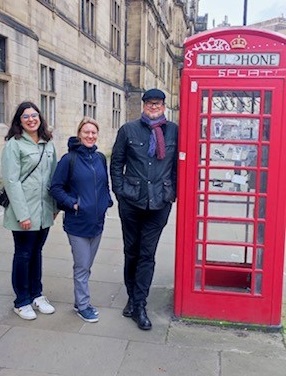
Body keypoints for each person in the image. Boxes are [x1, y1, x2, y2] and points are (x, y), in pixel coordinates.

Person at [110, 88, 178, 330]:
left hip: (159, 203)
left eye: (157, 104)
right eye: (149, 103)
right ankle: (131, 296)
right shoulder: (128, 130)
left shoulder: (173, 131)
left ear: (164, 106)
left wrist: (173, 193)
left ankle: (139, 304)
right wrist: (119, 192)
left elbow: (179, 163)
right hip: (131, 201)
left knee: (147, 254)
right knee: (131, 251)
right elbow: (116, 162)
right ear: (143, 106)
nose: (153, 107)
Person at [50, 117, 113, 323]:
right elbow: (55, 188)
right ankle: (83, 305)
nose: (90, 135)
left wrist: (106, 202)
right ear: (79, 134)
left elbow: (104, 184)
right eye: (86, 132)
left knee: (86, 265)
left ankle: (81, 301)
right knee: (82, 266)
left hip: (97, 222)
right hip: (77, 223)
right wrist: (73, 204)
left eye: (93, 132)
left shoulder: (100, 158)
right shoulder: (69, 159)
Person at [1, 101, 57, 320]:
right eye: (26, 117)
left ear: (40, 118)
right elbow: (11, 182)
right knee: (23, 254)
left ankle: (37, 294)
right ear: (19, 121)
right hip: (23, 212)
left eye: (34, 115)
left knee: (37, 253)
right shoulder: (14, 145)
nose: (31, 119)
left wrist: (54, 208)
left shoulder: (48, 143)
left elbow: (53, 178)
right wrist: (23, 214)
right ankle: (21, 300)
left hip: (44, 211)